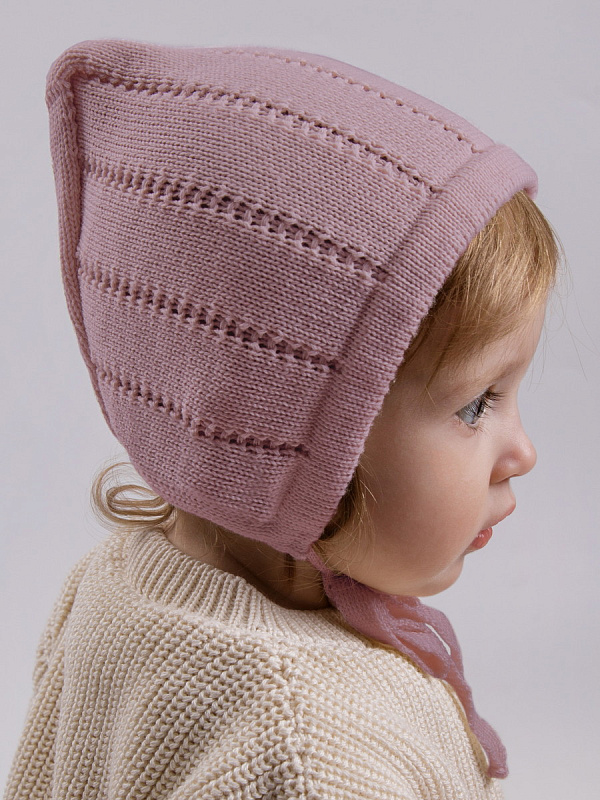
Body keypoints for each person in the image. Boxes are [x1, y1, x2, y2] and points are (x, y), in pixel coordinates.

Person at [5, 40, 559, 800]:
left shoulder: (118, 585)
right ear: (285, 437)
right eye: (476, 404)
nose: (522, 450)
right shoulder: (314, 756)